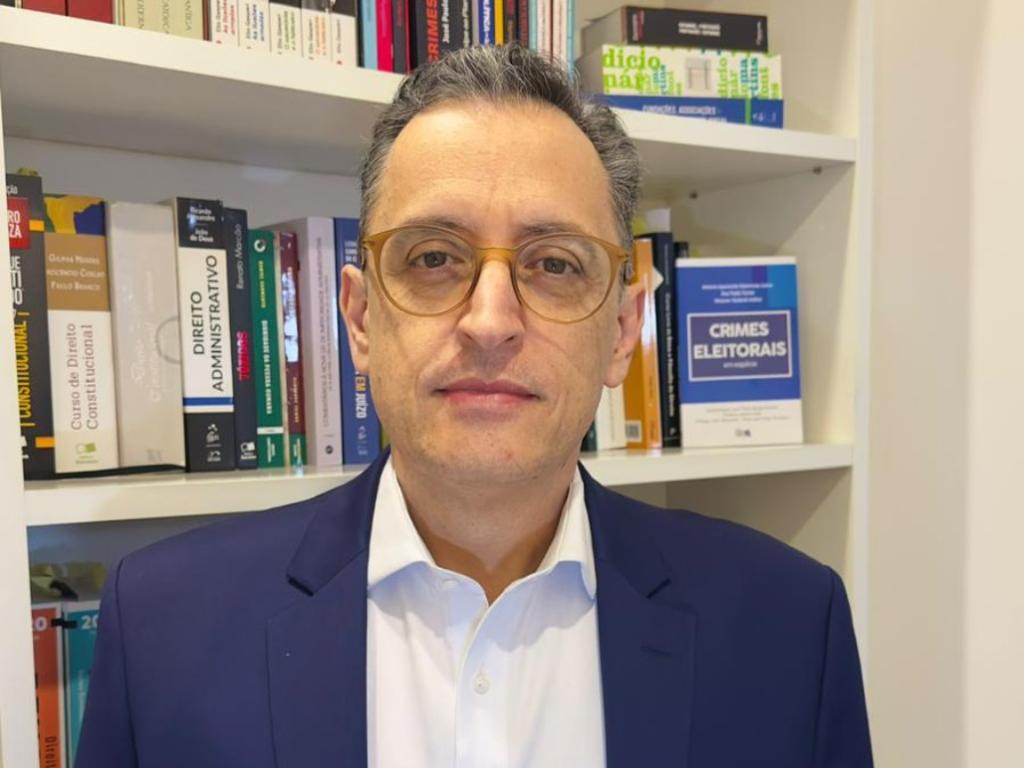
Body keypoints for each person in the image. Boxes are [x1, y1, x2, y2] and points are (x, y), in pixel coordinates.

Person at [76, 45, 872, 767]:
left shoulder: (791, 628)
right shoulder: (162, 626)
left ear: (623, 330)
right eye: (434, 257)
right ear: (360, 319)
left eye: (555, 264)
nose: (490, 322)